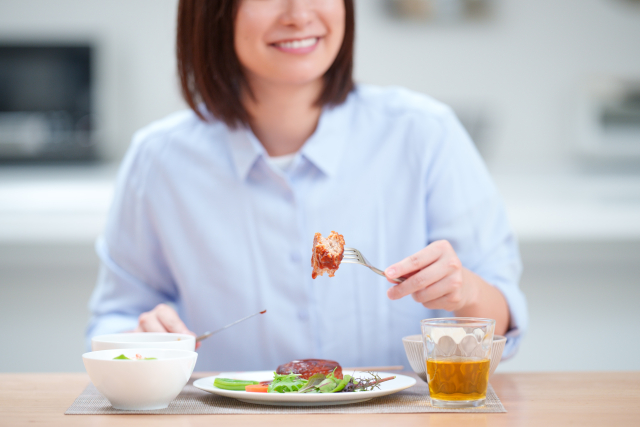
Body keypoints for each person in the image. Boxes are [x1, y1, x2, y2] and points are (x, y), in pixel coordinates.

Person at [87, 0, 527, 371]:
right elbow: (115, 318)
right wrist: (141, 337)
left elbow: (501, 320)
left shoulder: (425, 133)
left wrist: (466, 292)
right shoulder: (159, 159)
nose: (299, 14)